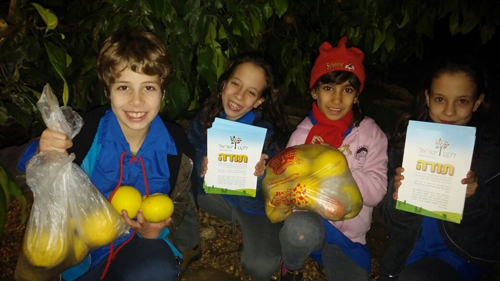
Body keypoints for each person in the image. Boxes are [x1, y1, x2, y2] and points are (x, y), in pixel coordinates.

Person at [9, 29, 196, 280]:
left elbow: (180, 202)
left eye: (149, 87)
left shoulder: (176, 146)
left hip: (136, 249)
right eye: (123, 87)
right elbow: (16, 169)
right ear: (108, 91)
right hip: (79, 256)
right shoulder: (84, 135)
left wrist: (159, 231)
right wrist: (41, 151)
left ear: (163, 92)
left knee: (158, 268)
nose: (137, 101)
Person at [377, 56, 500, 281]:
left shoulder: (490, 157)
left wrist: (473, 198)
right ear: (427, 98)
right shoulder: (406, 146)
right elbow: (388, 220)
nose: (449, 112)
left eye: (462, 101)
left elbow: (490, 237)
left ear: (477, 102)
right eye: (440, 99)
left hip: (459, 258)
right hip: (404, 255)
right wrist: (398, 196)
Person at [279, 36, 388, 281]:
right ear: (314, 92)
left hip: (350, 236)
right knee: (299, 231)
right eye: (328, 88)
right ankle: (292, 265)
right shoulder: (303, 135)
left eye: (347, 90)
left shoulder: (372, 135)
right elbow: (284, 189)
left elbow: (377, 192)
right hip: (310, 224)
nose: (337, 100)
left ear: (357, 95)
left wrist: (339, 164)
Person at [186, 52, 291, 281]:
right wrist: (200, 165)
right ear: (224, 84)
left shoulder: (268, 137)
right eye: (235, 84)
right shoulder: (207, 118)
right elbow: (188, 152)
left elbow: (277, 193)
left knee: (260, 268)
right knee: (174, 178)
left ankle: (282, 245)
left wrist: (263, 176)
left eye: (251, 92)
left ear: (260, 101)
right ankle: (187, 241)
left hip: (253, 209)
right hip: (213, 198)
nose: (239, 96)